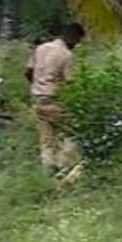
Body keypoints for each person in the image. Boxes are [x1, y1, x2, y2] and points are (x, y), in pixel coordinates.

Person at [26, 23, 83, 172]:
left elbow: (28, 71)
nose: (76, 45)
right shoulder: (66, 55)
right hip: (54, 100)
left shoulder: (40, 49)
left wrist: (37, 85)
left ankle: (48, 168)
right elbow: (70, 82)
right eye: (77, 41)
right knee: (72, 134)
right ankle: (62, 165)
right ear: (72, 38)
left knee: (46, 140)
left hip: (37, 100)